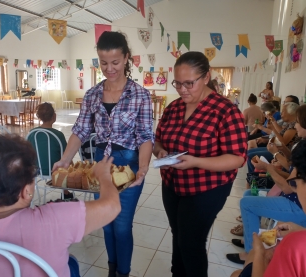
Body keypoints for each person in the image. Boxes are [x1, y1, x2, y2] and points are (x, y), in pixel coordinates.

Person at [0, 135, 121, 277]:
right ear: (26, 191)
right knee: (71, 263)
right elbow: (112, 206)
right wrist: (103, 175)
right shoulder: (54, 220)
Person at [52, 31, 154, 277]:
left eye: (116, 62)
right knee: (106, 223)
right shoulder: (93, 94)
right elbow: (80, 130)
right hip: (101, 164)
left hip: (128, 166)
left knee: (121, 225)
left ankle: (123, 272)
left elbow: (145, 136)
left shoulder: (139, 95)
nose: (109, 68)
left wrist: (143, 167)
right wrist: (65, 159)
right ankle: (112, 269)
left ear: (126, 58)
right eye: (104, 62)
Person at [153, 51, 247, 277]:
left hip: (206, 188)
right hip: (172, 184)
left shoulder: (225, 111)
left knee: (192, 242)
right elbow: (157, 140)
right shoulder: (174, 108)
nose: (182, 89)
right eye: (177, 83)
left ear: (206, 77)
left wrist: (196, 161)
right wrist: (161, 152)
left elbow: (237, 158)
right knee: (179, 235)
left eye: (189, 83)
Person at [230, 139, 306, 277]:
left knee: (247, 204)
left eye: (295, 183)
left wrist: (259, 254)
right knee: (249, 198)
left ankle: (250, 252)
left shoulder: (296, 245)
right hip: (292, 209)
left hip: (294, 207)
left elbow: (287, 188)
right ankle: (252, 244)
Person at [27, 103, 73, 199]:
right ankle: (66, 192)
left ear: (39, 117)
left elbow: (27, 152)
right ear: (54, 116)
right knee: (68, 162)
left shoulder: (32, 133)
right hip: (55, 170)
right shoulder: (58, 135)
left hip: (36, 169)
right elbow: (65, 154)